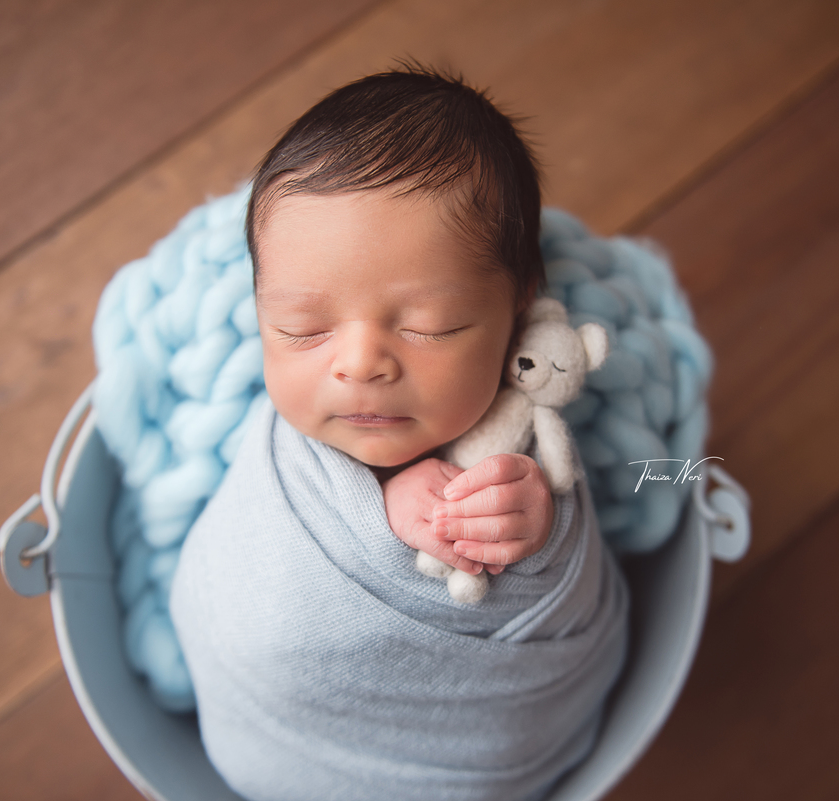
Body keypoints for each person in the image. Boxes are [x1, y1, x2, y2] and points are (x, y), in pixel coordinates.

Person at [170, 66, 628, 801]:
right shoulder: (288, 458)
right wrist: (382, 508)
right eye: (302, 329)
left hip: (471, 756)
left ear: (520, 309)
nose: (357, 364)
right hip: (262, 717)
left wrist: (533, 524)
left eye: (429, 327)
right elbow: (235, 587)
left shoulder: (522, 420)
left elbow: (563, 587)